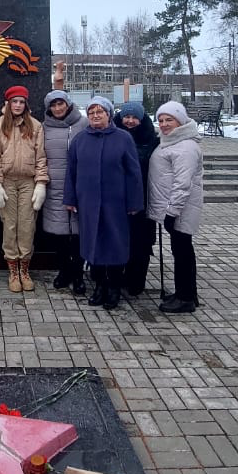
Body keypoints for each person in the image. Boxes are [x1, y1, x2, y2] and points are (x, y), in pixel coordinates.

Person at [63, 96, 145, 312]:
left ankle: (114, 287)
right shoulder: (80, 140)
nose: (96, 116)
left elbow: (133, 173)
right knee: (93, 244)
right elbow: (71, 172)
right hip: (88, 202)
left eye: (100, 112)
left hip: (115, 202)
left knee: (115, 244)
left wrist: (135, 201)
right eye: (91, 113)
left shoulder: (123, 138)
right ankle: (99, 285)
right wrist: (70, 198)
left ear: (109, 115)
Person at [0, 85, 49, 292]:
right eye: (14, 101)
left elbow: (41, 158)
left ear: (26, 104)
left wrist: (41, 183)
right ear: (8, 103)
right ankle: (12, 270)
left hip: (28, 183)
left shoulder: (35, 126)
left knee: (27, 226)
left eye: (21, 102)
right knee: (10, 225)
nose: (18, 105)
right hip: (6, 182)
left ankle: (24, 269)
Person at [147, 101, 204, 315]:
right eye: (161, 120)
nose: (163, 124)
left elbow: (183, 183)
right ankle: (187, 292)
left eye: (169, 120)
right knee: (182, 250)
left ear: (180, 120)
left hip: (180, 209)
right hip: (175, 208)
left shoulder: (186, 147)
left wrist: (171, 212)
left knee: (182, 252)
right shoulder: (172, 142)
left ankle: (185, 298)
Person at [41, 89, 88, 295]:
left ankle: (78, 274)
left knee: (78, 235)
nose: (58, 108)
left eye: (61, 104)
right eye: (53, 105)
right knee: (59, 234)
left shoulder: (83, 124)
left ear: (68, 104)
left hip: (80, 187)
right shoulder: (43, 128)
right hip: (54, 188)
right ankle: (64, 271)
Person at [115, 102, 160, 295]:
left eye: (134, 118)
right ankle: (117, 275)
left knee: (140, 240)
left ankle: (136, 279)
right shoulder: (112, 134)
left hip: (142, 196)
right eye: (127, 117)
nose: (130, 121)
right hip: (117, 195)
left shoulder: (151, 140)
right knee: (119, 237)